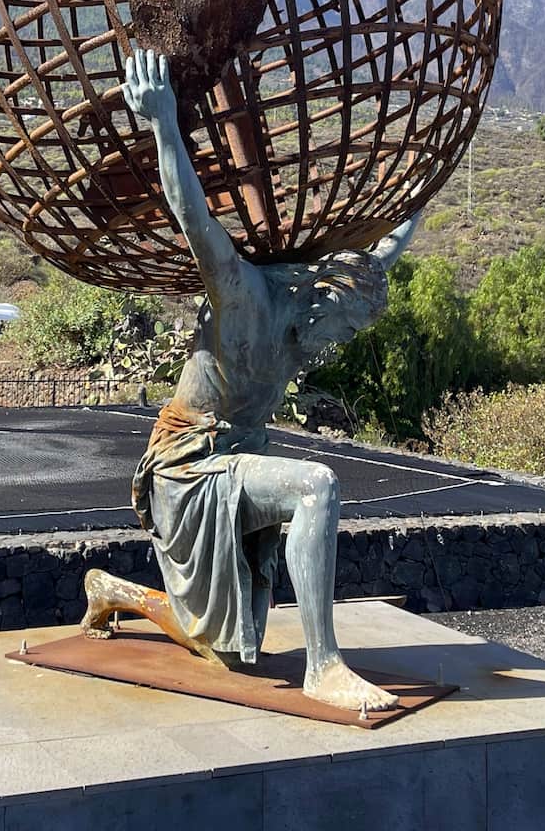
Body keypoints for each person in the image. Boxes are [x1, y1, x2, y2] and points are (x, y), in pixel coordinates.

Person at [83, 48, 420, 711]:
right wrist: (163, 124)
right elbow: (194, 219)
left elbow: (385, 250)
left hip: (238, 463)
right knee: (316, 485)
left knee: (229, 647)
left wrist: (422, 189)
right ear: (322, 296)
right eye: (344, 326)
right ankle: (324, 666)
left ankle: (113, 591)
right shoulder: (245, 297)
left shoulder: (305, 330)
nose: (341, 342)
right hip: (188, 469)